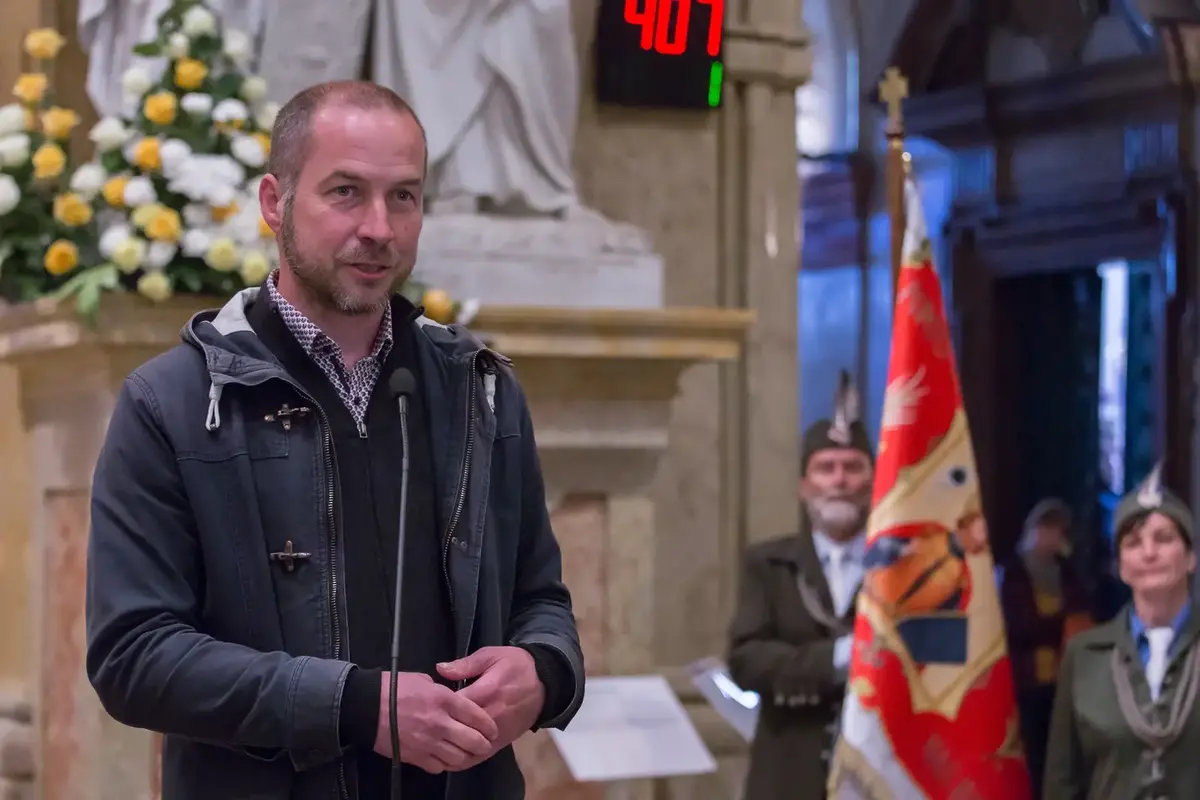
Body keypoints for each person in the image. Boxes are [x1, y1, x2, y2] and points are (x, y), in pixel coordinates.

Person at [85, 80, 584, 800]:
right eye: (346, 192)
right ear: (274, 202)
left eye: (403, 196)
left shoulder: (479, 389)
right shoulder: (172, 402)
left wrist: (543, 671)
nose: (380, 227)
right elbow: (133, 656)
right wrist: (355, 706)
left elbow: (541, 598)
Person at [727, 372, 874, 799]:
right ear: (804, 487)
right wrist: (837, 659)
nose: (840, 481)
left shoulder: (902, 570)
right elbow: (747, 660)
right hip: (789, 774)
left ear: (874, 481)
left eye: (853, 467)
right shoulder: (769, 565)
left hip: (877, 776)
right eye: (826, 468)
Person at [1043, 463, 1200, 798]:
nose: (1149, 552)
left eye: (1164, 538)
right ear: (1121, 568)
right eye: (1133, 543)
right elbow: (1062, 781)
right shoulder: (1085, 656)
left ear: (1191, 558)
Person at [998, 498, 1093, 798]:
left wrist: (1065, 623)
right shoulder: (1013, 572)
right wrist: (1060, 624)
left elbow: (1082, 613)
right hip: (1027, 681)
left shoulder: (1068, 572)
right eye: (1047, 527)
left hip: (1065, 680)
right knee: (1033, 753)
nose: (1053, 535)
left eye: (1058, 529)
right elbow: (1020, 624)